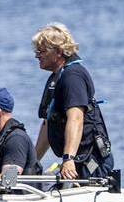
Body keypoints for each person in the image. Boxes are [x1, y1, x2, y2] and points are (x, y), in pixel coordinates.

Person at [31, 23, 114, 180]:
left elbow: (76, 119)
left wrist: (68, 158)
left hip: (91, 162)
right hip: (74, 162)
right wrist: (33, 161)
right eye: (37, 51)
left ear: (59, 52)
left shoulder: (73, 77)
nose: (37, 55)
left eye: (42, 51)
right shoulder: (56, 77)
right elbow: (48, 124)